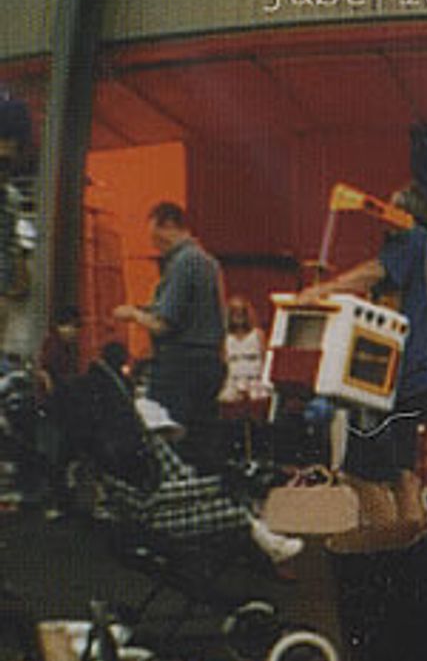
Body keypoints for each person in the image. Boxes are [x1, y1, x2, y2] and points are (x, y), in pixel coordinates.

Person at [65, 343, 302, 566]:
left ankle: (265, 542)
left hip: (157, 503)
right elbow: (157, 495)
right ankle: (267, 547)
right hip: (159, 516)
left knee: (222, 482)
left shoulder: (124, 447)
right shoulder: (139, 448)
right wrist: (220, 481)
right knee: (231, 499)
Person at [299, 181, 427, 535]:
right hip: (418, 375)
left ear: (406, 212)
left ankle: (390, 547)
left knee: (360, 473)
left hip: (391, 378)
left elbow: (374, 272)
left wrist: (321, 290)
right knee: (403, 473)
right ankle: (414, 546)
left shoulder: (410, 240)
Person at [113, 202, 227, 453]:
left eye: (156, 237)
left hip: (180, 367)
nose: (155, 246)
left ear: (169, 226)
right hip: (208, 363)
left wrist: (132, 314)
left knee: (168, 437)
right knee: (201, 443)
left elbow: (163, 324)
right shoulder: (209, 263)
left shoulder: (183, 263)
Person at [35, 305, 81, 518]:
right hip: (53, 406)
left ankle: (60, 500)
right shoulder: (54, 346)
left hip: (59, 405)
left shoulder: (64, 346)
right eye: (71, 326)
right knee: (55, 453)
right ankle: (54, 501)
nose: (74, 331)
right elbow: (46, 371)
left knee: (59, 453)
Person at [218, 296, 266, 407]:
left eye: (241, 312)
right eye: (234, 312)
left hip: (255, 383)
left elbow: (265, 361)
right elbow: (223, 363)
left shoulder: (258, 335)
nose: (238, 316)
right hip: (232, 384)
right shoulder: (225, 338)